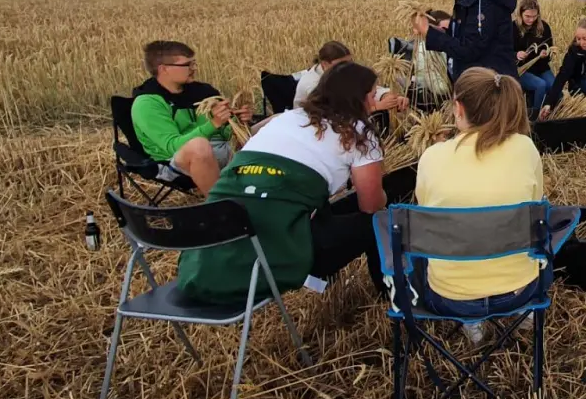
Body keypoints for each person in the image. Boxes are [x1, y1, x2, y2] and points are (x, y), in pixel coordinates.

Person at [175, 62, 388, 304]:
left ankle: (325, 281)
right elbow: (370, 205)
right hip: (277, 256)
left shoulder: (284, 119)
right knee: (381, 223)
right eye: (372, 95)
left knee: (306, 201)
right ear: (356, 99)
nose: (373, 103)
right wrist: (384, 198)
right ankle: (389, 297)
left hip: (202, 263)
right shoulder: (358, 133)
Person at [414, 68, 546, 341]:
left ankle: (471, 321)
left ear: (457, 108)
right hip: (519, 290)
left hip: (450, 296)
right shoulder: (525, 148)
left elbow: (426, 213)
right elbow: (537, 205)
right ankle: (525, 315)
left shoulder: (431, 157)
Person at [130, 41, 250, 194]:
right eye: (187, 65)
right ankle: (220, 206)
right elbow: (173, 146)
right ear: (164, 69)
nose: (194, 69)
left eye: (194, 63)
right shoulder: (147, 103)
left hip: (222, 149)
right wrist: (213, 124)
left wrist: (236, 123)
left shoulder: (202, 91)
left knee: (276, 121)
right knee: (199, 146)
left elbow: (225, 135)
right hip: (176, 162)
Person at [295, 40, 407, 113]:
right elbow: (335, 112)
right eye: (341, 64)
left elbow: (365, 87)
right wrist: (376, 106)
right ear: (325, 64)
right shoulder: (311, 83)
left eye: (349, 63)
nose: (347, 68)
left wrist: (387, 96)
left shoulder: (341, 73)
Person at [514, 0, 555, 117]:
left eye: (534, 16)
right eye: (527, 16)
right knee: (541, 85)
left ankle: (548, 113)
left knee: (554, 88)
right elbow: (504, 51)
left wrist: (545, 54)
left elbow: (550, 48)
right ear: (520, 13)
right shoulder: (513, 28)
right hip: (521, 70)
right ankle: (534, 116)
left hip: (541, 67)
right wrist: (516, 54)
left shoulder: (544, 27)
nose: (531, 20)